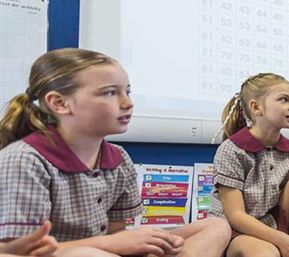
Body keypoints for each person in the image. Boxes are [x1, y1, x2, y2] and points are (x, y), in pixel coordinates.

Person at [0, 48, 230, 257]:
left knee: (215, 226)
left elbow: (116, 233)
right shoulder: (25, 158)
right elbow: (21, 251)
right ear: (59, 103)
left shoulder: (118, 158)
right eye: (110, 93)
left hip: (105, 251)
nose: (127, 103)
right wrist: (115, 245)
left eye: (127, 92)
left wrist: (138, 243)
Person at [210, 73, 289, 257]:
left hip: (276, 226)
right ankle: (287, 245)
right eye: (284, 100)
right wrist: (281, 240)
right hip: (237, 231)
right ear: (256, 108)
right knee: (267, 254)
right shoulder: (231, 151)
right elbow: (236, 216)